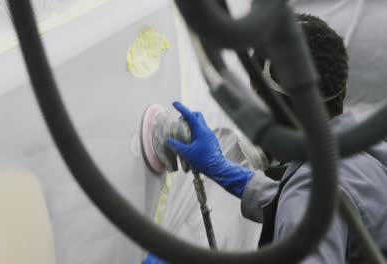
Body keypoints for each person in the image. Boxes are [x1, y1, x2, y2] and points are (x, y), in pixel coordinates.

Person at [143, 14, 387, 263]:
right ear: (344, 89)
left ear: (263, 105)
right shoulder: (369, 151)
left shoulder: (309, 195)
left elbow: (306, 206)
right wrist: (225, 170)